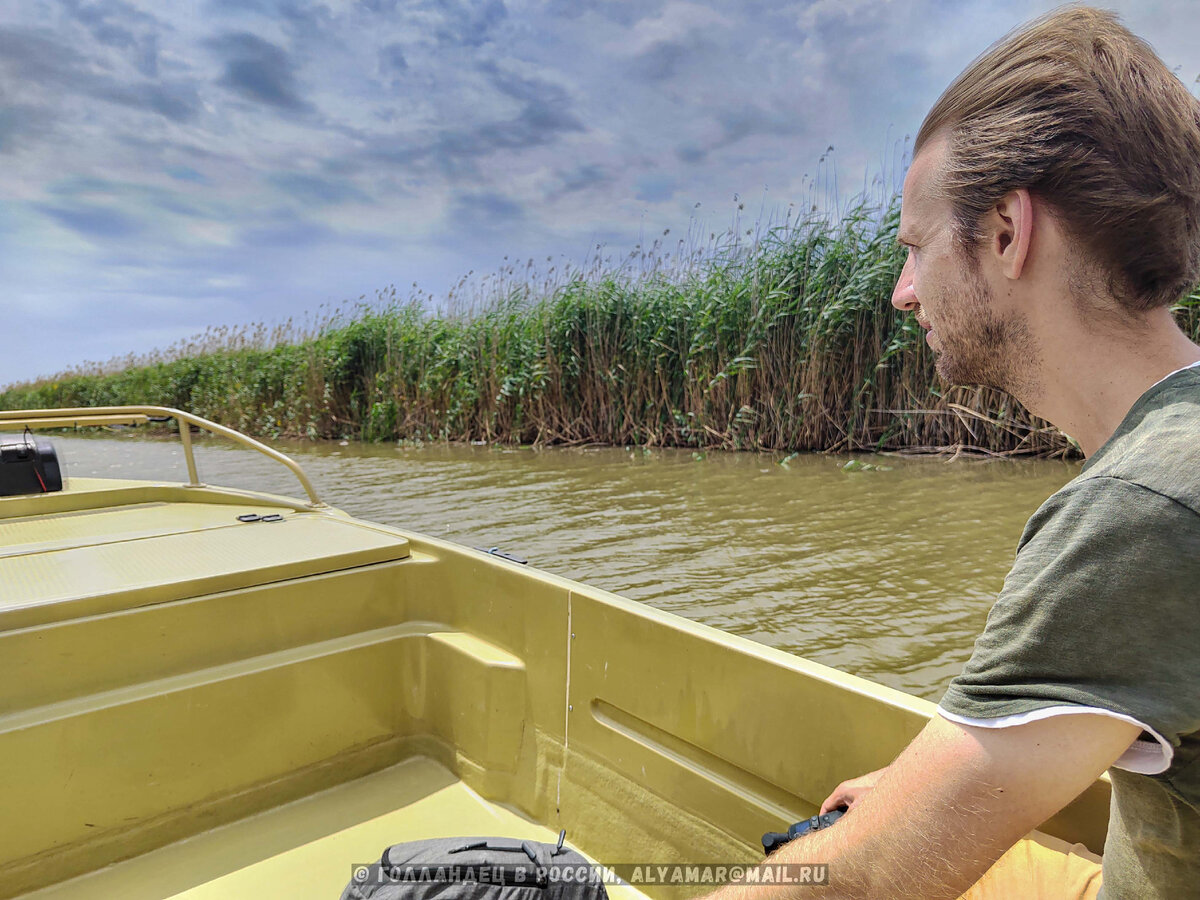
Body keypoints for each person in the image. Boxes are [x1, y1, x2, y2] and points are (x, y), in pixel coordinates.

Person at [704, 6, 1200, 899]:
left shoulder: (1145, 506)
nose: (902, 294)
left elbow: (866, 883)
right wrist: (904, 794)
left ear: (1007, 232)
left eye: (916, 248)